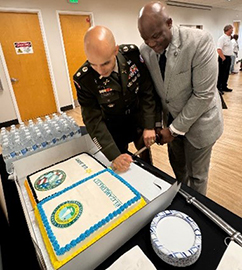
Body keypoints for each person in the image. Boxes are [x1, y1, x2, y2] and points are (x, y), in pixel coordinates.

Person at [138, 1, 223, 195]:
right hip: (170, 123)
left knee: (197, 177)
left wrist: (174, 130)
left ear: (169, 23)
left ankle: (197, 212)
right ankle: (182, 206)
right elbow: (153, 92)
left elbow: (203, 94)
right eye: (145, 38)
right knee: (179, 172)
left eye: (155, 36)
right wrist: (159, 124)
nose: (151, 44)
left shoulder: (199, 41)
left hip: (201, 124)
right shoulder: (145, 50)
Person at [73, 26, 157, 173]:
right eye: (93, 64)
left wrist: (149, 125)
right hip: (113, 126)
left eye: (105, 63)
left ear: (116, 50)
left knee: (146, 164)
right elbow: (93, 120)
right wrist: (113, 155)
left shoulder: (131, 55)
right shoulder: (84, 79)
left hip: (138, 119)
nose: (100, 70)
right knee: (121, 168)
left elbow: (146, 90)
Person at [217, 25, 234, 93]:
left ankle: (224, 86)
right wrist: (223, 58)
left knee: (226, 73)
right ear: (227, 30)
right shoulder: (222, 38)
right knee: (221, 73)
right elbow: (219, 49)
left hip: (228, 58)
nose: (232, 30)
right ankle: (219, 87)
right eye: (231, 29)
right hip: (223, 58)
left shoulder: (229, 38)